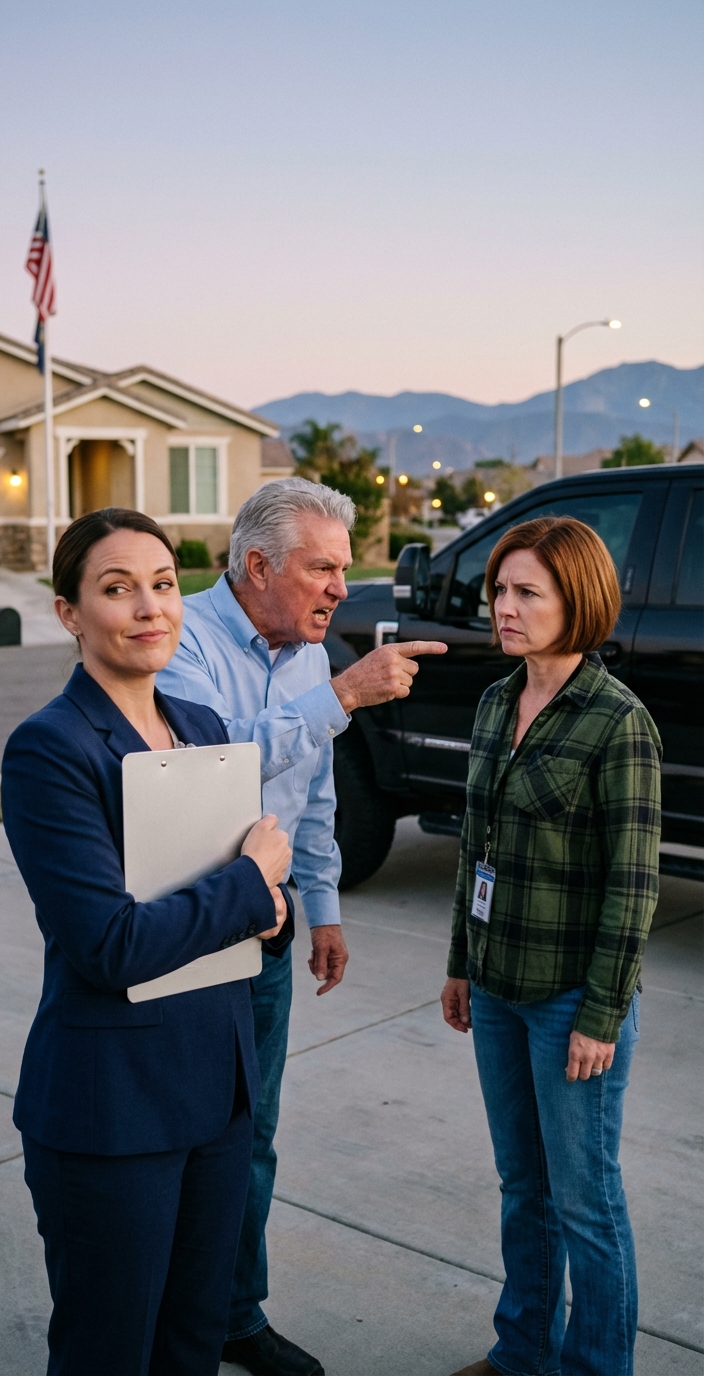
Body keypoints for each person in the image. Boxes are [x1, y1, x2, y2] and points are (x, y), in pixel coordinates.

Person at [157, 476, 446, 1376]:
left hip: (271, 936)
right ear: (255, 565)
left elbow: (311, 793)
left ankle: (237, 1316)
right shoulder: (183, 640)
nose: (338, 588)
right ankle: (165, 1319)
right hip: (184, 934)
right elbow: (214, 765)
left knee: (253, 1137)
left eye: (343, 569)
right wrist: (347, 696)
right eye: (322, 569)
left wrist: (323, 907)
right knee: (176, 1137)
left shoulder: (312, 654)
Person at [1, 507, 295, 1376]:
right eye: (117, 588)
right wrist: (251, 883)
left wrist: (269, 912)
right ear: (70, 614)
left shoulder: (203, 730)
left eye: (163, 585)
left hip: (216, 1093)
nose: (149, 608)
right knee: (109, 1352)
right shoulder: (50, 751)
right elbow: (110, 944)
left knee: (191, 1344)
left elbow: (242, 917)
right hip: (112, 1110)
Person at [441, 516, 661, 1376]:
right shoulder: (498, 700)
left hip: (574, 1002)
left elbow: (633, 887)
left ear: (580, 601)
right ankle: (522, 1351)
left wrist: (600, 1018)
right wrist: (462, 963)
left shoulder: (619, 724)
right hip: (498, 990)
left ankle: (596, 1367)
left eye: (527, 591)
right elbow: (476, 847)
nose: (505, 606)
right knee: (522, 1189)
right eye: (500, 589)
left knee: (585, 1202)